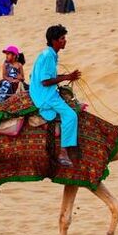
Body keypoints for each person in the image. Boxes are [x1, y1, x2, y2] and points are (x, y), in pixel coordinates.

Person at [30, 25, 81, 167]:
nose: (65, 41)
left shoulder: (50, 54)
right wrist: (66, 77)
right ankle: (63, 152)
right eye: (62, 39)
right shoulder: (48, 57)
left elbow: (49, 77)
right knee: (71, 116)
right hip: (45, 95)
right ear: (54, 41)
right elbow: (45, 81)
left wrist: (67, 77)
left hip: (45, 92)